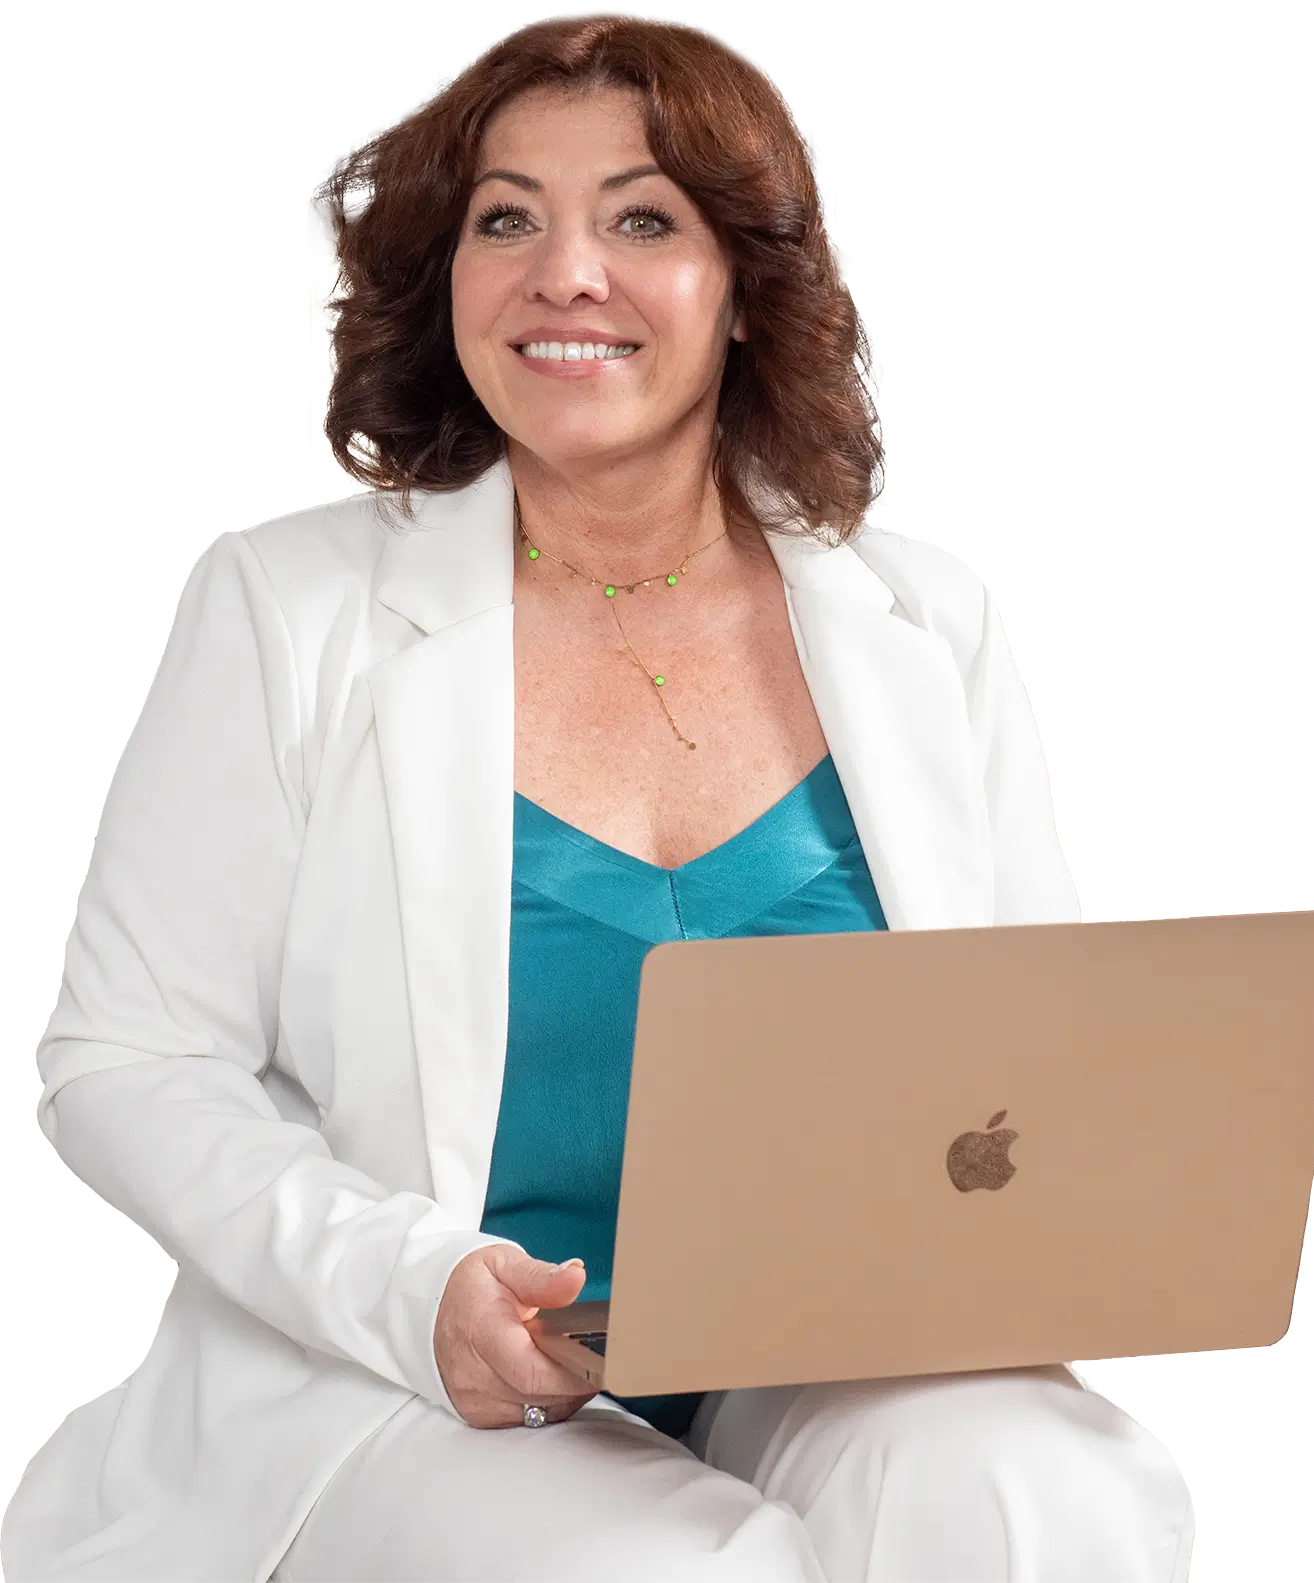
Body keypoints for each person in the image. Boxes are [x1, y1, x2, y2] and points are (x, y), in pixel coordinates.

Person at [0, 10, 1198, 1582]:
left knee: (1028, 1485)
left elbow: (1035, 1061)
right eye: (508, 221)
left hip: (826, 1343)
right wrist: (408, 1285)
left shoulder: (928, 620)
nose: (566, 273)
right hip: (418, 1379)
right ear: (448, 278)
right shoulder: (285, 608)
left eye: (642, 221)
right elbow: (129, 1062)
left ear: (745, 287)